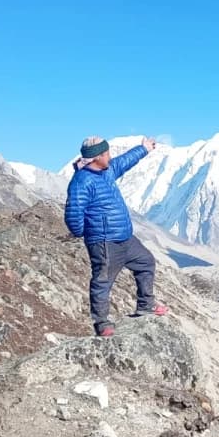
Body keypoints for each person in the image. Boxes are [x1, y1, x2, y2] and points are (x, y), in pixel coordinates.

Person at [64, 135, 169, 336]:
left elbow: (124, 161)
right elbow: (73, 211)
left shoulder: (107, 170)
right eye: (106, 153)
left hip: (125, 237)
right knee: (102, 281)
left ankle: (146, 305)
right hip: (104, 242)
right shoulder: (81, 181)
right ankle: (102, 323)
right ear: (95, 157)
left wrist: (144, 148)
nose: (110, 156)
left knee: (146, 262)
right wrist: (80, 232)